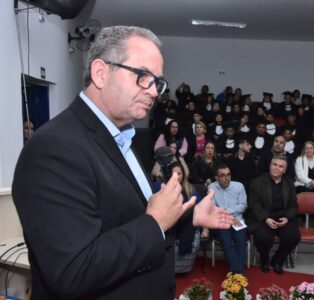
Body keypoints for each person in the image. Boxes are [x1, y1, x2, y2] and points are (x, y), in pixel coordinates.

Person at [12, 26, 233, 300]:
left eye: (158, 82)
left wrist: (189, 216)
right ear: (101, 73)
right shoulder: (54, 148)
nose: (154, 92)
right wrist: (156, 222)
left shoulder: (123, 138)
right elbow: (73, 271)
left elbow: (127, 216)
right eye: (143, 77)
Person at [247, 156, 300, 275]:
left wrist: (287, 217)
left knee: (293, 237)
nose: (277, 168)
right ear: (270, 166)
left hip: (283, 217)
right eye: (274, 164)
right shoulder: (257, 182)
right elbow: (254, 204)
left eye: (280, 166)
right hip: (262, 218)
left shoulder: (289, 183)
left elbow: (293, 204)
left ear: (284, 170)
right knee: (264, 238)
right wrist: (266, 218)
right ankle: (264, 259)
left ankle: (278, 260)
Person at [208, 165, 248, 274]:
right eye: (222, 175)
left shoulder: (239, 186)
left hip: (236, 220)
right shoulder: (212, 187)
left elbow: (243, 206)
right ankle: (239, 273)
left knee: (240, 242)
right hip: (221, 220)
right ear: (216, 178)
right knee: (226, 242)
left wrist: (227, 210)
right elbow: (212, 208)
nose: (226, 178)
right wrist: (225, 212)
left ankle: (237, 274)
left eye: (228, 175)